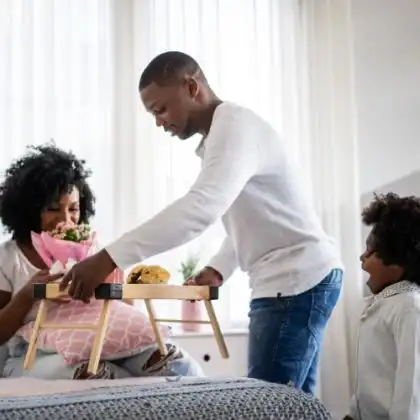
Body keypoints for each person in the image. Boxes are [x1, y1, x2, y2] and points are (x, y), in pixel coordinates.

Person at [60, 51, 343, 393]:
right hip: (298, 277)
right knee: (297, 406)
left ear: (192, 87)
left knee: (267, 406)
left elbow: (200, 209)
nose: (159, 122)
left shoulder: (234, 128)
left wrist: (107, 259)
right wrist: (220, 268)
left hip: (295, 280)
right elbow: (257, 218)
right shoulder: (222, 136)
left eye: (161, 109)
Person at [0, 144, 202, 379]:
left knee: (176, 364)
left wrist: (111, 281)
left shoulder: (91, 251)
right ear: (28, 209)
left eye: (74, 209)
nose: (66, 220)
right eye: (53, 209)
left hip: (103, 340)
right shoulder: (10, 257)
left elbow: (123, 308)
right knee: (94, 375)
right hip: (34, 353)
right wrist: (28, 295)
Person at [344, 193, 420, 420]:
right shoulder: (383, 304)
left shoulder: (409, 309)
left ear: (397, 258)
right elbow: (372, 382)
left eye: (370, 250)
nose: (362, 257)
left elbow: (411, 395)